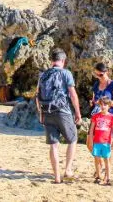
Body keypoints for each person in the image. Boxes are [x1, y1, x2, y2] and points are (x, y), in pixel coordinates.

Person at [35, 47, 83, 184]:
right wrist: (78, 113)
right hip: (63, 111)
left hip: (47, 112)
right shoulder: (66, 73)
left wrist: (41, 114)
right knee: (73, 139)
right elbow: (73, 95)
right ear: (63, 60)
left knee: (54, 145)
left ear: (51, 61)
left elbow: (37, 96)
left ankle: (56, 177)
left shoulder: (43, 75)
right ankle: (67, 170)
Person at [87, 97, 113, 186]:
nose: (103, 106)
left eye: (105, 104)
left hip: (106, 142)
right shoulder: (95, 116)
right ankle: (98, 176)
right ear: (99, 105)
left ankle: (108, 178)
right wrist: (91, 141)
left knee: (106, 160)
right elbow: (91, 129)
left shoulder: (112, 117)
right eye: (101, 104)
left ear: (109, 106)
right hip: (96, 142)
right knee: (96, 159)